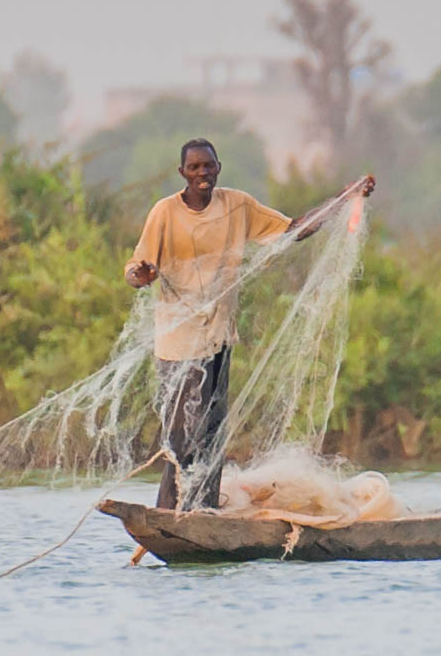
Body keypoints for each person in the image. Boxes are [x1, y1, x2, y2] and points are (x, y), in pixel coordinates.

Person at [123, 138, 373, 510]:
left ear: (218, 168)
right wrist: (141, 276)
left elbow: (293, 230)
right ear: (182, 173)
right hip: (178, 342)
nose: (202, 173)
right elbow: (135, 267)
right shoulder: (165, 212)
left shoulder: (237, 205)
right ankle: (169, 512)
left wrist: (342, 198)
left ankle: (203, 512)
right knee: (183, 438)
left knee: (212, 433)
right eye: (194, 167)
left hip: (218, 338)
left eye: (208, 166)